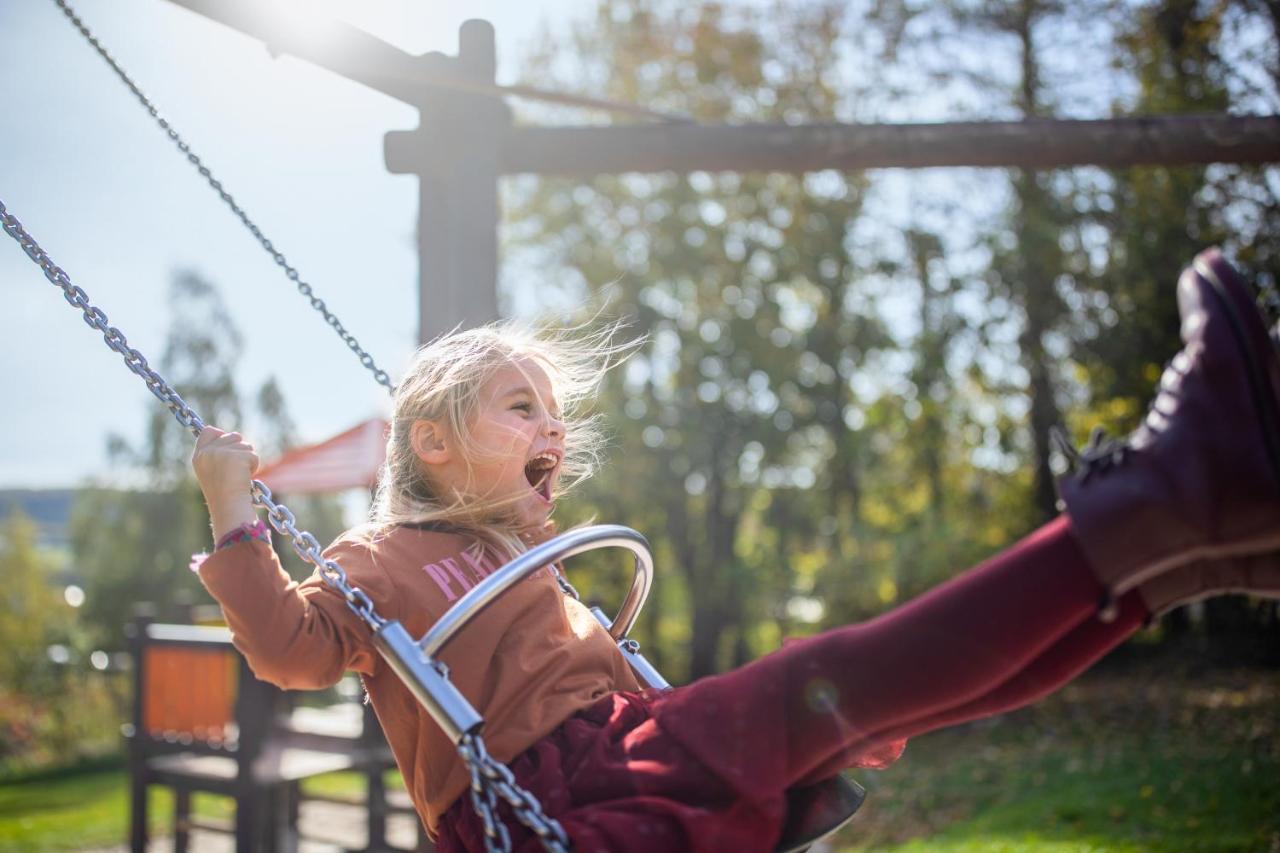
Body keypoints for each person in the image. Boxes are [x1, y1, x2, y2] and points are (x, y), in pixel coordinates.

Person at [191, 248, 1280, 852]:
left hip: (619, 749)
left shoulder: (532, 571)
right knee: (824, 677)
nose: (552, 432)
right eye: (520, 408)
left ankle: (1167, 563)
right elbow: (290, 648)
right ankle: (1166, 505)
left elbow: (617, 689)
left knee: (853, 697)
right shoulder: (381, 558)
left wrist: (812, 739)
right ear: (430, 441)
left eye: (554, 414)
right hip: (534, 804)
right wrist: (234, 512)